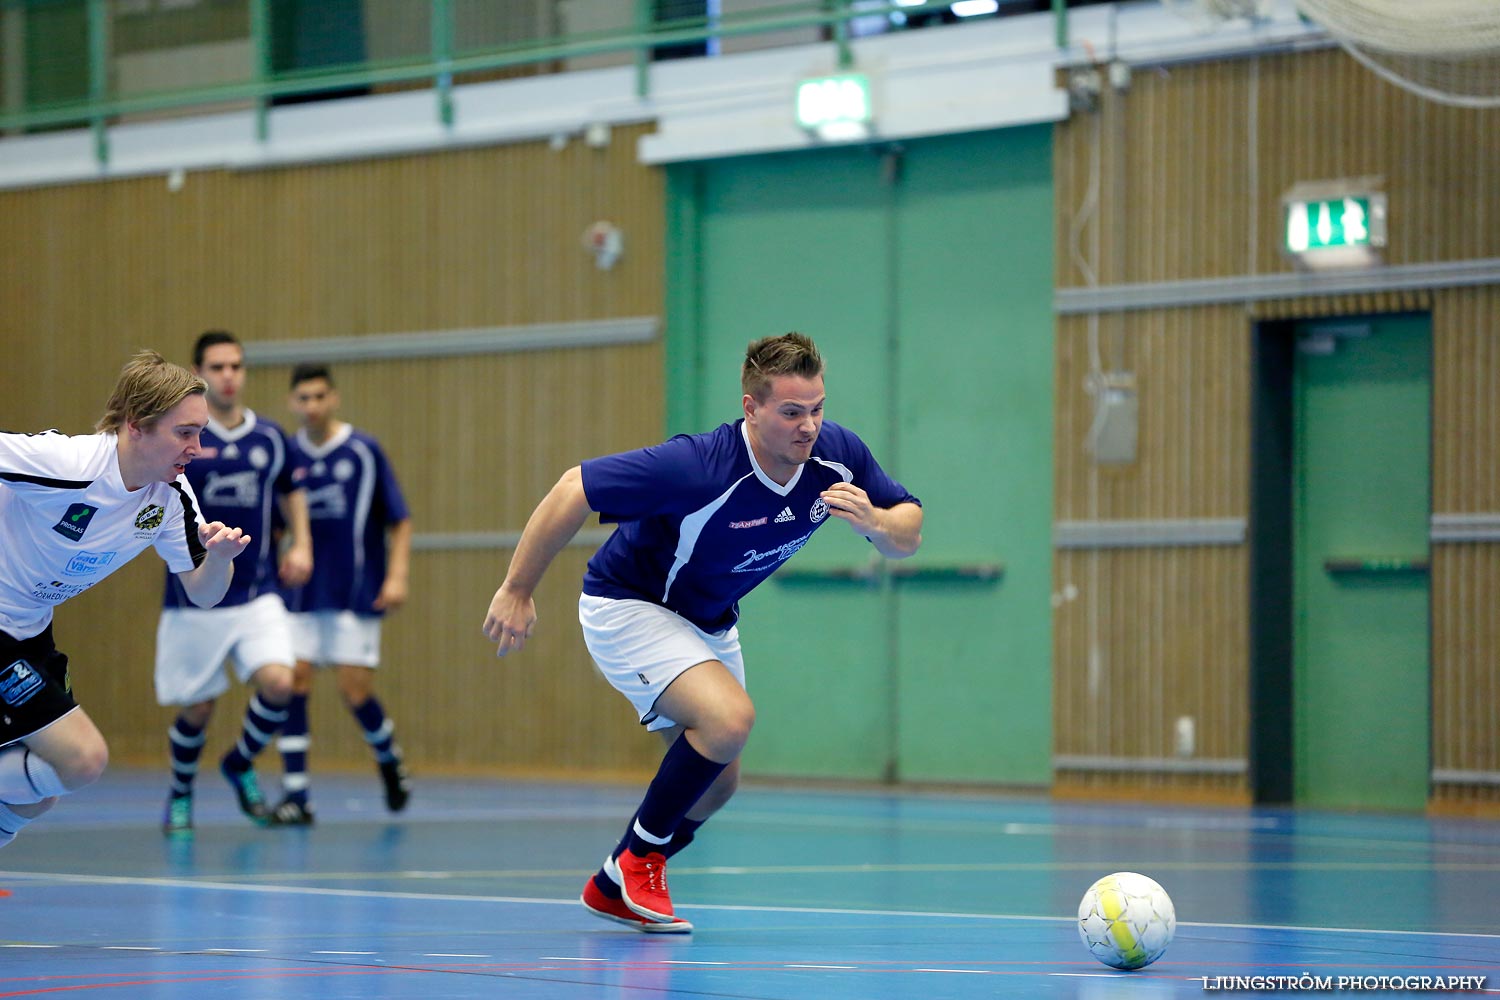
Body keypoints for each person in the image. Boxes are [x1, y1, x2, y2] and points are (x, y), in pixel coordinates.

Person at [482, 332, 923, 934]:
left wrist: (874, 521)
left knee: (717, 784)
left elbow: (909, 531)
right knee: (729, 720)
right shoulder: (699, 465)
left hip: (707, 622)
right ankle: (640, 862)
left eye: (817, 408)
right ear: (751, 407)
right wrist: (517, 588)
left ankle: (614, 882)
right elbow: (572, 488)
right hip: (630, 606)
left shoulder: (837, 455)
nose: (809, 426)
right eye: (791, 412)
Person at [0, 350, 250, 849]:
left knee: (35, 795)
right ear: (137, 426)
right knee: (81, 760)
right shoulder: (68, 464)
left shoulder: (169, 495)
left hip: (31, 630)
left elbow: (202, 593)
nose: (197, 448)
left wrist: (220, 559)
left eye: (201, 433)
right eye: (185, 433)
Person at [154, 331, 314, 836]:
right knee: (197, 707)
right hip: (194, 593)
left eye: (236, 366)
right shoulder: (181, 440)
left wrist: (301, 543)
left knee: (280, 681)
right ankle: (180, 793)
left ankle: (241, 761)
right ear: (200, 374)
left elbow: (292, 492)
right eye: (218, 367)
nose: (229, 375)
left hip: (258, 590)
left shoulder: (269, 438)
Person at [273, 363, 412, 825]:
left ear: (333, 398)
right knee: (295, 681)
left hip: (356, 589)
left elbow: (400, 518)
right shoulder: (286, 454)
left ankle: (389, 760)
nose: (311, 406)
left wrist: (397, 576)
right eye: (303, 398)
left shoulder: (363, 450)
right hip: (301, 592)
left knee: (355, 690)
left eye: (319, 396)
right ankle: (297, 794)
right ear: (293, 403)